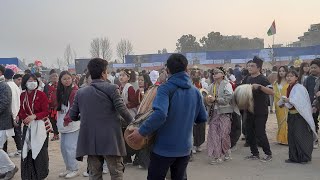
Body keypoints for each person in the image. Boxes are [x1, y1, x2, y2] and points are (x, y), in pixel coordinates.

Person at [127, 54, 208, 180]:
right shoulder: (195, 91)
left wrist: (141, 132)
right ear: (186, 69)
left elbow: (160, 114)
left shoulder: (165, 89)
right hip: (185, 148)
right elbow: (202, 117)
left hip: (164, 149)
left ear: (168, 70)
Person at [69, 58, 134, 180]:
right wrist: (134, 125)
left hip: (90, 141)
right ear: (104, 73)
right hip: (111, 140)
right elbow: (123, 110)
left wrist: (86, 116)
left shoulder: (81, 92)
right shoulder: (112, 88)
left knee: (94, 175)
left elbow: (72, 116)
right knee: (116, 174)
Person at [278, 70, 317, 164]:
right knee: (291, 137)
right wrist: (283, 102)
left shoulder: (300, 88)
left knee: (301, 136)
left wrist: (288, 100)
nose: (289, 78)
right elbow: (289, 101)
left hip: (300, 116)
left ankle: (304, 158)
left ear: (296, 78)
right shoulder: (288, 87)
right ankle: (294, 157)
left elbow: (300, 101)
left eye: (291, 76)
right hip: (291, 116)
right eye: (287, 76)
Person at [18, 73, 50, 180]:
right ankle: (28, 175)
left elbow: (46, 111)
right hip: (27, 126)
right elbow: (21, 110)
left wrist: (34, 116)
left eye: (34, 80)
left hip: (40, 126)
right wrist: (21, 117)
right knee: (27, 150)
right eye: (29, 80)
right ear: (25, 82)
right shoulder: (22, 95)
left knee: (40, 150)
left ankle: (40, 175)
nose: (32, 83)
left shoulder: (41, 95)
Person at [243, 56, 274, 162]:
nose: (249, 67)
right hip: (249, 110)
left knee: (260, 132)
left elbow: (271, 92)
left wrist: (260, 87)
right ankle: (254, 153)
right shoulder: (247, 78)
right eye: (248, 66)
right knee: (249, 132)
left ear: (259, 68)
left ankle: (268, 153)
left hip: (261, 110)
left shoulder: (263, 79)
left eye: (252, 66)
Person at [205, 67, 234, 164]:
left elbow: (228, 99)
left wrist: (215, 100)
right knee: (213, 134)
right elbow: (206, 98)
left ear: (223, 75)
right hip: (214, 113)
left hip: (225, 113)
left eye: (217, 72)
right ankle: (217, 156)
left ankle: (226, 151)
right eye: (213, 72)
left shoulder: (227, 85)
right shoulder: (210, 86)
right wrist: (207, 100)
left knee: (224, 134)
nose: (214, 74)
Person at [56, 71, 80, 179]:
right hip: (63, 124)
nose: (67, 81)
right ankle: (68, 168)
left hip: (72, 123)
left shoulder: (75, 91)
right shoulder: (60, 91)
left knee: (70, 147)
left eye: (68, 78)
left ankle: (74, 169)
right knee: (63, 148)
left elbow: (74, 108)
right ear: (60, 80)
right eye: (64, 79)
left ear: (72, 79)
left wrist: (68, 119)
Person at [0, 65, 19, 179]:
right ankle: (5, 169)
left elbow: (4, 103)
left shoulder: (4, 86)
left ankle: (11, 168)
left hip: (3, 123)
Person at [118, 69, 139, 164]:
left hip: (129, 114)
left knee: (127, 135)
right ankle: (126, 158)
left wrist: (123, 106)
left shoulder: (129, 87)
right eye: (120, 75)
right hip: (122, 115)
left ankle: (130, 157)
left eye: (123, 75)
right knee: (123, 136)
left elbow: (135, 102)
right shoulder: (120, 87)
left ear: (128, 77)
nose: (121, 77)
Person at [4, 69, 22, 158]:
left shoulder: (5, 86)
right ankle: (20, 149)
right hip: (16, 112)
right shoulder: (15, 86)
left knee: (4, 134)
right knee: (17, 132)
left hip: (8, 113)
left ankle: (4, 152)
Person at [304, 59, 320, 147]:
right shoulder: (308, 79)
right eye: (312, 67)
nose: (313, 69)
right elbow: (304, 91)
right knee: (313, 121)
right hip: (312, 104)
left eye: (315, 67)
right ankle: (315, 139)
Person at [190, 67, 206, 154]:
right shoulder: (189, 84)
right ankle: (192, 145)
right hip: (192, 108)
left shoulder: (204, 84)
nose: (196, 75)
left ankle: (199, 144)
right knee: (193, 128)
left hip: (201, 108)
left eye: (198, 74)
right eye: (194, 74)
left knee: (201, 127)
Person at [273, 66, 289, 145]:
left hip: (288, 105)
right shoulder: (276, 83)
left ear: (286, 72)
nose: (281, 72)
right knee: (280, 122)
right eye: (280, 71)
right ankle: (281, 139)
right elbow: (275, 95)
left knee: (287, 121)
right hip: (279, 105)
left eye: (283, 71)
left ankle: (287, 139)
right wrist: (278, 103)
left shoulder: (289, 82)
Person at [44, 69, 60, 141]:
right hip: (51, 107)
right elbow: (45, 96)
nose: (55, 77)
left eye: (56, 76)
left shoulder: (61, 85)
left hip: (60, 106)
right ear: (50, 77)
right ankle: (55, 134)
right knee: (53, 121)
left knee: (60, 120)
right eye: (53, 76)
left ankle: (61, 133)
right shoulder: (47, 86)